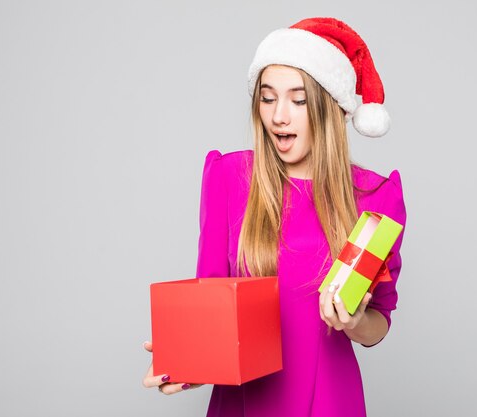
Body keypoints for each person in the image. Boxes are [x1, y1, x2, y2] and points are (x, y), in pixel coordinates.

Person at [143, 17, 407, 417]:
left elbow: (379, 321)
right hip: (243, 402)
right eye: (267, 98)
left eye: (298, 100)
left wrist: (353, 323)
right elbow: (212, 302)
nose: (278, 116)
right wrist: (188, 363)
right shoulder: (229, 179)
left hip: (329, 400)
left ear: (330, 108)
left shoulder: (373, 198)